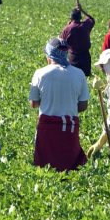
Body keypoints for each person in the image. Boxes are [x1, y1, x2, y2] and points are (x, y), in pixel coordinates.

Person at [29, 38, 89, 172]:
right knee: (69, 165)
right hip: (69, 127)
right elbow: (83, 105)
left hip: (47, 127)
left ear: (49, 55)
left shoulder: (40, 73)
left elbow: (34, 103)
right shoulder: (79, 74)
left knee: (45, 166)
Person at [60, 4, 95, 76]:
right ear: (80, 17)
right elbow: (91, 19)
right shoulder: (85, 25)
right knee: (85, 79)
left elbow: (61, 42)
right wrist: (82, 10)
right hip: (85, 57)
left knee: (73, 78)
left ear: (71, 18)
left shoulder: (67, 29)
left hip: (72, 58)